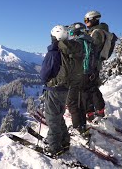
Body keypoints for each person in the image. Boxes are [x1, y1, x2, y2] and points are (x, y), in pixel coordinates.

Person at [40, 25, 70, 156]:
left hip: (54, 89)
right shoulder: (69, 51)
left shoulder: (53, 53)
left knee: (52, 118)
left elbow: (44, 74)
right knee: (59, 115)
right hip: (66, 89)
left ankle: (54, 147)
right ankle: (65, 141)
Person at [83, 11, 107, 121]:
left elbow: (93, 49)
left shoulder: (97, 32)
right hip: (94, 65)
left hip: (91, 65)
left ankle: (91, 113)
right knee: (92, 88)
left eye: (87, 20)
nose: (86, 22)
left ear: (94, 19)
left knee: (87, 89)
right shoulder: (97, 31)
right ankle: (99, 110)